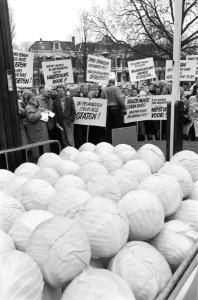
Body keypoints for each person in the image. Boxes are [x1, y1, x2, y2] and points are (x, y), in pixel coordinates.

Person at [101, 78, 126, 143]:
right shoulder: (115, 88)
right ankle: (117, 141)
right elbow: (119, 98)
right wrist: (124, 106)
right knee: (117, 126)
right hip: (116, 109)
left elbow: (102, 99)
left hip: (108, 109)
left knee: (109, 126)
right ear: (114, 82)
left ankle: (109, 141)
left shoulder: (104, 89)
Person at [25, 94, 50, 159]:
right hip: (36, 133)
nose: (34, 100)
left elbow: (45, 117)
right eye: (32, 99)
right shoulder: (28, 107)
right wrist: (39, 111)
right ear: (28, 100)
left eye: (34, 98)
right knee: (39, 150)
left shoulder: (36, 105)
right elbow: (32, 118)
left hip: (42, 130)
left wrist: (48, 113)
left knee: (44, 149)